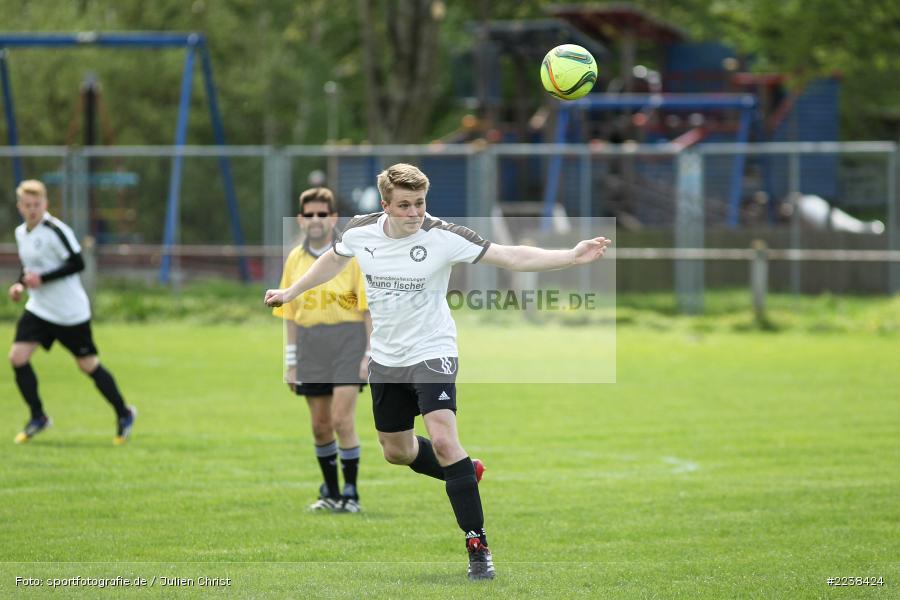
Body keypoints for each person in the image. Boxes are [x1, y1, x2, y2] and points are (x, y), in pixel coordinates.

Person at [265, 163, 611, 581]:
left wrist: (570, 257)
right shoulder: (360, 231)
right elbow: (332, 262)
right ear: (385, 205)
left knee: (445, 440)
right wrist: (290, 292)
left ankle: (477, 545)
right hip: (386, 359)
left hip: (433, 351)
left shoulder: (443, 236)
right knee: (397, 451)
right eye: (405, 205)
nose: (414, 213)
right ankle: (466, 469)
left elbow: (510, 255)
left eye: (420, 203)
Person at [8, 179, 135, 445]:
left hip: (69, 312)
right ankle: (38, 416)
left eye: (37, 204)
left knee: (87, 365)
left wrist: (43, 279)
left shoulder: (56, 230)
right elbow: (29, 268)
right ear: (20, 206)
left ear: (46, 204)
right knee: (18, 357)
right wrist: (20, 285)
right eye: (27, 205)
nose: (32, 210)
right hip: (40, 309)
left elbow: (78, 263)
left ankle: (124, 413)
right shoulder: (21, 233)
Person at [272, 187, 371, 513]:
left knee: (342, 419)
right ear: (301, 220)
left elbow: (367, 308)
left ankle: (351, 494)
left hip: (348, 340)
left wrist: (368, 353)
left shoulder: (349, 256)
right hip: (311, 344)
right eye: (310, 214)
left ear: (333, 218)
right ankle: (329, 492)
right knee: (319, 424)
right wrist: (290, 361)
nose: (316, 220)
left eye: (323, 214)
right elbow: (289, 313)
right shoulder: (295, 258)